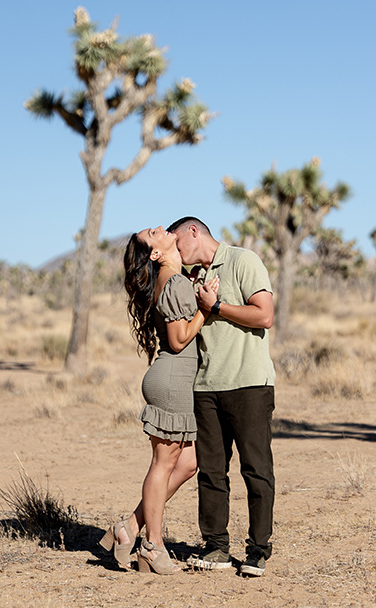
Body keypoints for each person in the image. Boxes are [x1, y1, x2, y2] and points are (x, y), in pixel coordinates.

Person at [100, 226, 218, 574]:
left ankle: (130, 528)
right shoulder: (176, 282)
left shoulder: (172, 279)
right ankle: (153, 547)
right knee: (163, 465)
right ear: (155, 253)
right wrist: (206, 309)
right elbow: (180, 340)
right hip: (172, 379)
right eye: (154, 233)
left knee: (187, 463)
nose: (162, 229)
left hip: (172, 379)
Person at [167, 217, 276, 578]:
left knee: (255, 469)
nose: (176, 251)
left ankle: (258, 550)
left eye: (177, 242)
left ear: (194, 232)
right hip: (206, 387)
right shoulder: (191, 279)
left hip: (249, 384)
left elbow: (264, 315)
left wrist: (216, 307)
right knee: (212, 472)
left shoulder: (243, 261)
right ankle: (216, 547)